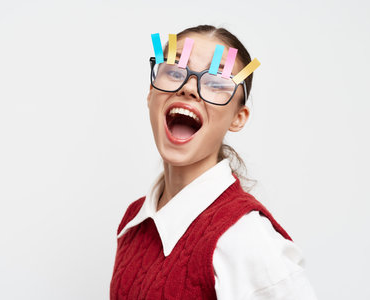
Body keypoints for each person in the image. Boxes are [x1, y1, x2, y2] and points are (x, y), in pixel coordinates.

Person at [110, 25, 317, 299]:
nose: (189, 87)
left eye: (216, 82)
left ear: (238, 117)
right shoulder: (133, 222)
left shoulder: (245, 238)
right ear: (151, 92)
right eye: (174, 71)